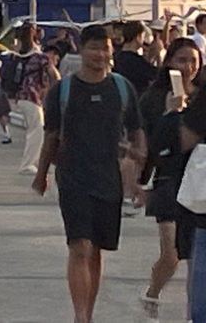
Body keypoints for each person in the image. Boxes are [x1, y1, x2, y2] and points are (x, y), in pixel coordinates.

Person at [33, 25, 145, 323]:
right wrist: (41, 173)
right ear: (81, 50)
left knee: (96, 250)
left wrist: (139, 171)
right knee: (80, 246)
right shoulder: (64, 90)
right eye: (93, 47)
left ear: (112, 51)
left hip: (109, 178)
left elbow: (136, 131)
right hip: (73, 176)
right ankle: (80, 317)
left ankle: (89, 313)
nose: (99, 54)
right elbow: (51, 135)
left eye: (105, 48)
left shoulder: (122, 89)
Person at [137, 38, 203, 321]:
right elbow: (151, 144)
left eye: (194, 61)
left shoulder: (202, 97)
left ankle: (191, 312)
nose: (188, 67)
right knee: (172, 252)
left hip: (197, 184)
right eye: (181, 60)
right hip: (167, 182)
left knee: (192, 259)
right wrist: (170, 111)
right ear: (169, 62)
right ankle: (153, 291)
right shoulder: (154, 97)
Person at [14, 23, 58, 174]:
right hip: (32, 95)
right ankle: (27, 164)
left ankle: (36, 160)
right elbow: (55, 75)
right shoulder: (40, 57)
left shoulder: (20, 54)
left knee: (35, 129)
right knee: (36, 130)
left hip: (21, 95)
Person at [114, 20, 158, 97]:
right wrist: (158, 55)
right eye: (143, 37)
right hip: (137, 98)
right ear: (138, 37)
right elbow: (156, 75)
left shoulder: (116, 57)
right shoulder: (137, 61)